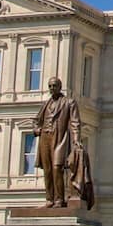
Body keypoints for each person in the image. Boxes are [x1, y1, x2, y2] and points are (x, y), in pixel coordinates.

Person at [32, 78, 94, 209]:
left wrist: (76, 140)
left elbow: (75, 122)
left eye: (54, 85)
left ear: (60, 87)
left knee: (57, 168)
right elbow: (37, 121)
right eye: (50, 86)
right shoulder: (46, 104)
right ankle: (50, 199)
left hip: (59, 138)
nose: (52, 88)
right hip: (45, 138)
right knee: (47, 170)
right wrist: (37, 129)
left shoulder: (69, 102)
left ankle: (59, 199)